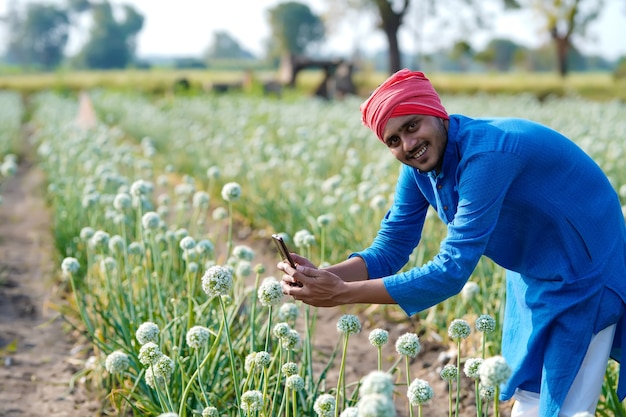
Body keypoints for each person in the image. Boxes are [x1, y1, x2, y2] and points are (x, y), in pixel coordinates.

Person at [278, 69, 626, 417]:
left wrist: (341, 294)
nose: (408, 145)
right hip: (534, 265)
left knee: (563, 406)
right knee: (531, 396)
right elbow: (392, 247)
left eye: (412, 126)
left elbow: (452, 270)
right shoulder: (417, 167)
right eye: (393, 140)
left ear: (437, 113)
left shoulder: (487, 154)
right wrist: (322, 276)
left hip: (585, 271)